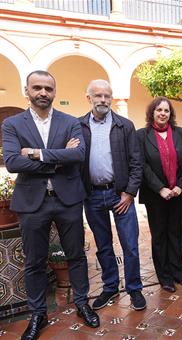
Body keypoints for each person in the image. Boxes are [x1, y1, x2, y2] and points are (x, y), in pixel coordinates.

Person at [2, 70, 99, 339]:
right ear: (27, 90)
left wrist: (36, 154)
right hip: (32, 202)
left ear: (54, 92)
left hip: (67, 200)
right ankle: (38, 314)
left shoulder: (69, 122)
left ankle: (82, 303)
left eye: (48, 88)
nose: (43, 93)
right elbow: (12, 162)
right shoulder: (13, 124)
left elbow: (78, 155)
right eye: (37, 88)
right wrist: (59, 157)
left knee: (77, 255)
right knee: (34, 261)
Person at [79, 79, 146, 311]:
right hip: (93, 196)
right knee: (103, 246)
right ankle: (109, 287)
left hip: (120, 196)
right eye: (98, 95)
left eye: (107, 95)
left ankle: (135, 288)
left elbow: (137, 163)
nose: (103, 100)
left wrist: (129, 193)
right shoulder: (78, 126)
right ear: (88, 98)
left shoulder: (124, 125)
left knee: (130, 245)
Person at [137, 97, 182, 292]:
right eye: (159, 110)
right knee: (159, 235)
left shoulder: (180, 133)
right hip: (155, 195)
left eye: (166, 111)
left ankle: (179, 272)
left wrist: (180, 186)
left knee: (176, 233)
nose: (163, 113)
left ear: (171, 114)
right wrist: (160, 188)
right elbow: (142, 165)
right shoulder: (142, 135)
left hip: (177, 193)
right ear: (152, 112)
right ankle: (165, 276)